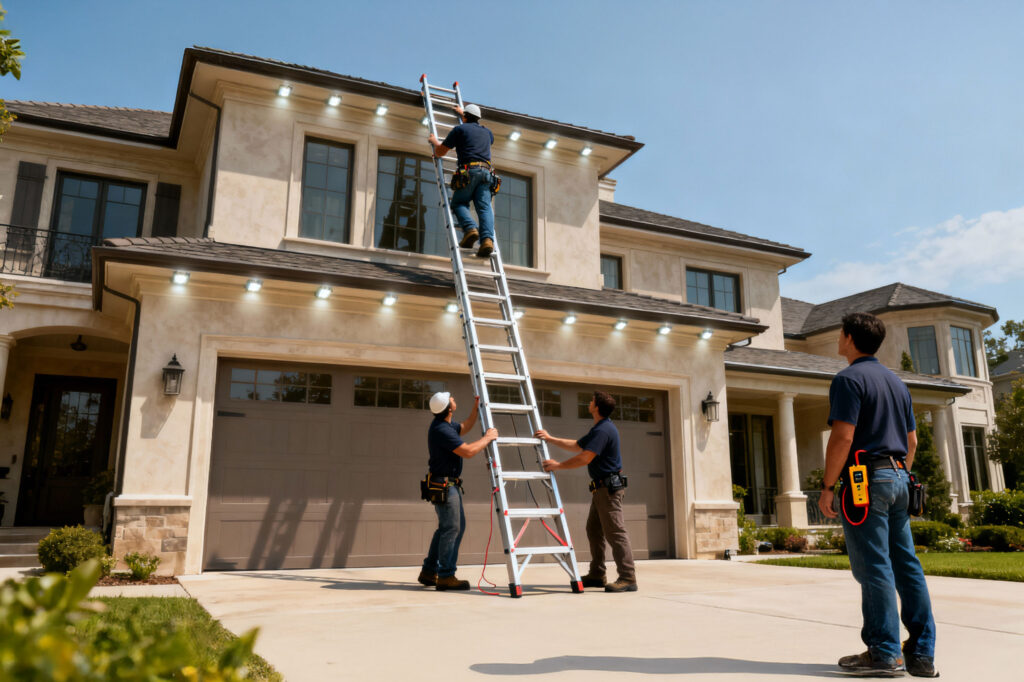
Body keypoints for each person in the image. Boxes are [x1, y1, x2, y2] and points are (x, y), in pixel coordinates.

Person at [818, 312, 938, 678]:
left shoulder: (848, 379)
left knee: (874, 567)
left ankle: (885, 653)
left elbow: (843, 437)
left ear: (850, 338)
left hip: (865, 480)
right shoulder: (896, 383)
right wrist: (897, 474)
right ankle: (921, 654)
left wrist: (827, 488)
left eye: (840, 333)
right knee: (906, 566)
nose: (838, 338)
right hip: (900, 476)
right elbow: (911, 441)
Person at [536, 390, 637, 593]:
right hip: (601, 490)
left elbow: (584, 457)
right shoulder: (599, 428)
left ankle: (628, 577)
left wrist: (557, 465)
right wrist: (550, 438)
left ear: (597, 407)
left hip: (607, 490)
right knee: (594, 530)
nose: (589, 402)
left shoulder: (604, 430)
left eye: (591, 400)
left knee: (616, 533)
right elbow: (576, 446)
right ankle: (598, 574)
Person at [418, 391, 498, 591]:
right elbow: (469, 451)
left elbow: (465, 427)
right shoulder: (441, 430)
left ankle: (429, 571)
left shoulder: (446, 426)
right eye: (452, 399)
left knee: (447, 528)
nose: (454, 399)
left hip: (446, 484)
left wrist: (475, 409)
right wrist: (488, 438)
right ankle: (445, 575)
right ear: (448, 408)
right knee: (452, 528)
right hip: (445, 485)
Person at [427, 103, 496, 258]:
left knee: (458, 203)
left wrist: (434, 141)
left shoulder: (460, 130)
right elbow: (477, 130)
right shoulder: (487, 133)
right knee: (485, 209)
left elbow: (440, 152)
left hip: (469, 171)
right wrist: (463, 113)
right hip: (486, 173)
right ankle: (487, 240)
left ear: (464, 116)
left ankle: (470, 229)